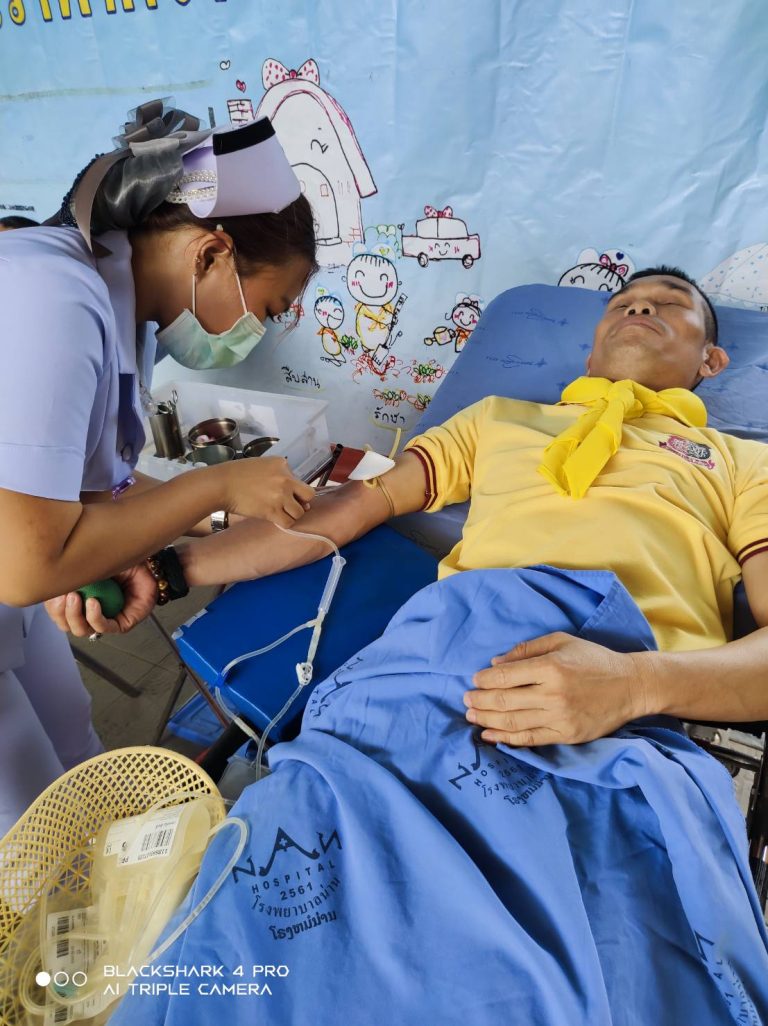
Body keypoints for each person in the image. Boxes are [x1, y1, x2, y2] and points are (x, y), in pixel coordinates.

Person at [164, 266, 768, 738]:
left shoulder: (745, 464)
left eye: (670, 303)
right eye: (623, 304)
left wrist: (636, 685)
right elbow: (344, 511)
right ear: (591, 356)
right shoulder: (498, 419)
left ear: (711, 360)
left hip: (626, 711)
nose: (640, 307)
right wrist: (170, 569)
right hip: (455, 675)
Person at [0, 100, 316, 835]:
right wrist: (216, 487)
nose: (259, 330)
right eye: (269, 309)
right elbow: (26, 564)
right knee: (29, 825)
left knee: (74, 743)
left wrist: (199, 521)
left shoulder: (123, 315)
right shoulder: (51, 295)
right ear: (210, 254)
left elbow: (93, 492)